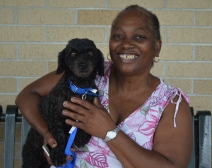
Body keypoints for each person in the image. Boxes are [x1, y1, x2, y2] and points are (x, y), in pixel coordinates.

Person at [15, 4, 193, 168]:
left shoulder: (171, 103)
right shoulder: (88, 75)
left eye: (139, 37)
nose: (126, 44)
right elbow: (27, 95)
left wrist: (109, 132)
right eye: (118, 36)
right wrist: (47, 134)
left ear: (157, 47)